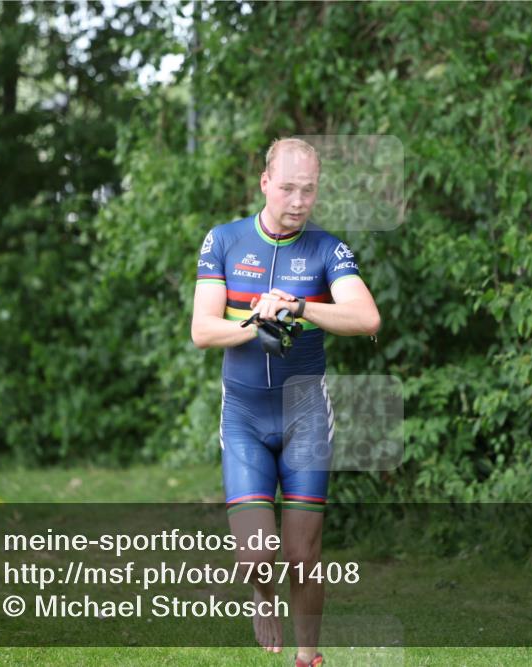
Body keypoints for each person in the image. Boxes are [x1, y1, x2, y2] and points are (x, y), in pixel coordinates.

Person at [191, 138, 381, 667]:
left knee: (302, 557)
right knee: (257, 556)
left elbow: (366, 320)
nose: (298, 201)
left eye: (310, 190)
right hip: (245, 417)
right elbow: (202, 330)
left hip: (305, 416)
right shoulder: (225, 241)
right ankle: (259, 591)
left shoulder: (327, 250)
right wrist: (256, 323)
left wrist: (302, 307)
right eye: (289, 188)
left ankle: (309, 658)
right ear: (266, 183)